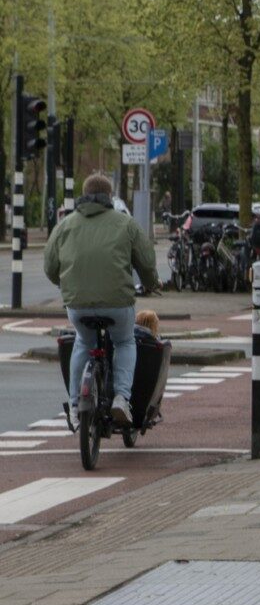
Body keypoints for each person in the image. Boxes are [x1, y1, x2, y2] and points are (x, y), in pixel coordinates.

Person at [44, 173, 161, 428]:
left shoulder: (65, 225)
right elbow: (146, 261)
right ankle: (121, 397)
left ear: (83, 195)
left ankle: (75, 405)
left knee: (83, 342)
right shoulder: (125, 223)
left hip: (78, 304)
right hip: (118, 304)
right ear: (110, 197)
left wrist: (64, 283)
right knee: (125, 341)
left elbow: (50, 266)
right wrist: (151, 283)